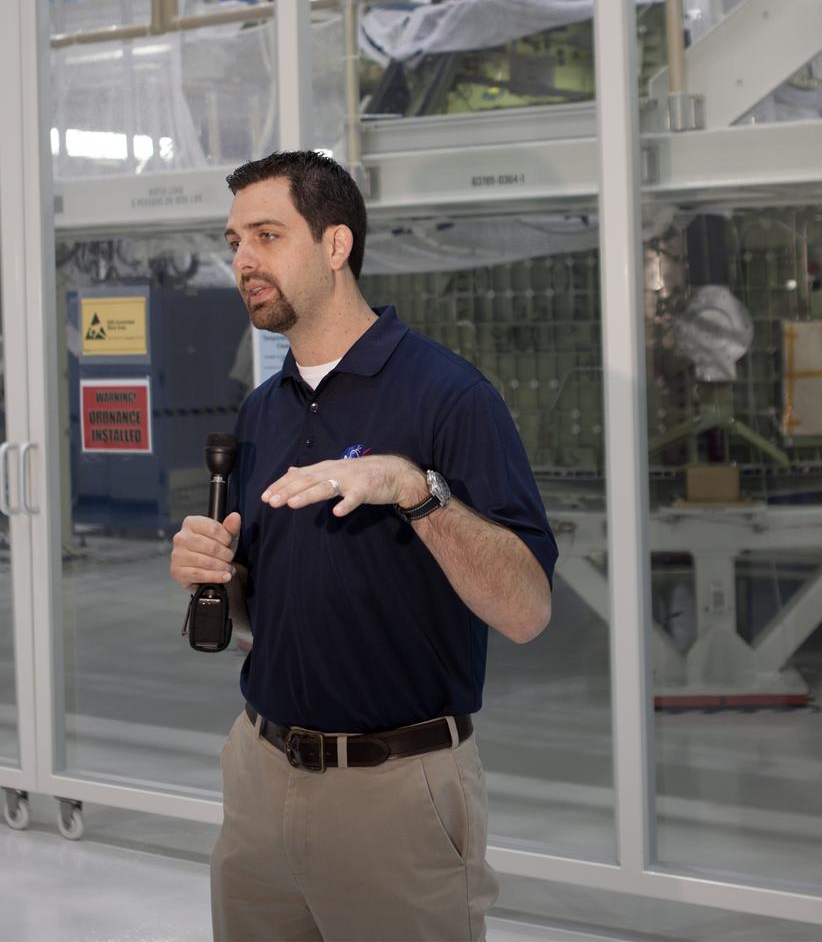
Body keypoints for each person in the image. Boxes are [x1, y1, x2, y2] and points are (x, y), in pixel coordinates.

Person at [170, 150, 558, 942]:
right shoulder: (263, 411)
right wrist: (213, 575)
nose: (243, 260)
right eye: (234, 241)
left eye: (267, 235)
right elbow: (256, 618)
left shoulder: (449, 396)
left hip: (394, 792)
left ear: (336, 244)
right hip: (258, 775)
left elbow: (525, 612)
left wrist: (414, 490)